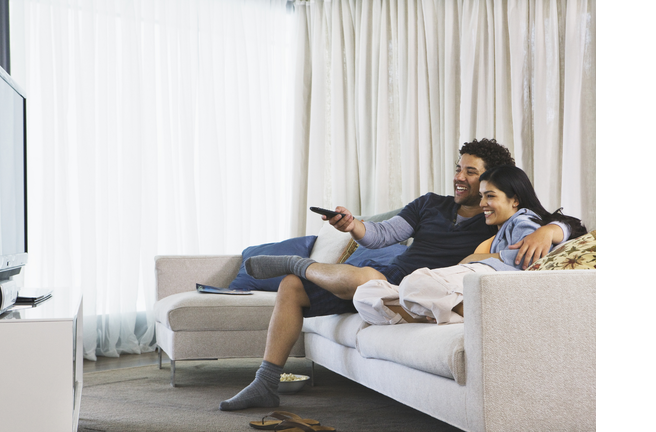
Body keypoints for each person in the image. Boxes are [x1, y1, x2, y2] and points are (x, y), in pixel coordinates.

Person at [219, 138, 573, 411]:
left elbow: (563, 223)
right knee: (292, 286)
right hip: (386, 275)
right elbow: (382, 235)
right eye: (459, 168)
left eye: (471, 172)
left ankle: (300, 264)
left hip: (416, 288)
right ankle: (265, 382)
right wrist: (353, 225)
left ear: (492, 183)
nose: (459, 178)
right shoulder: (429, 204)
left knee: (365, 277)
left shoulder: (495, 216)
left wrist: (551, 229)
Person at [352, 165, 586, 326]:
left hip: (487, 279)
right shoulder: (494, 228)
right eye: (482, 196)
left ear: (515, 199)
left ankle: (447, 312)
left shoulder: (522, 219)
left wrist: (475, 260)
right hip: (468, 282)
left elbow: (527, 263)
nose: (483, 203)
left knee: (415, 284)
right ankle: (443, 313)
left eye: (491, 196)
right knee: (366, 293)